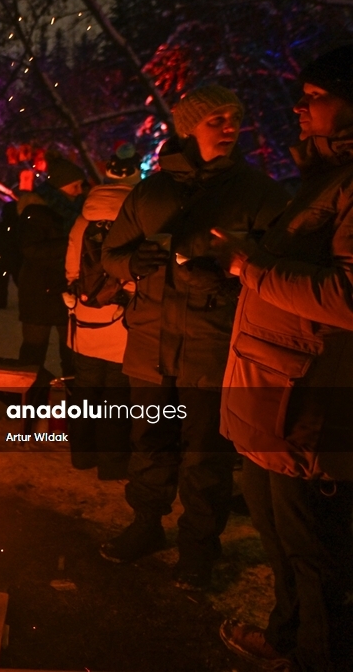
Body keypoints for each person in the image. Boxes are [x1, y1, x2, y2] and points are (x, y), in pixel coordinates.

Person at [100, 84, 290, 590]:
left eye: (234, 118)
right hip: (149, 346)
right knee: (150, 444)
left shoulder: (258, 193)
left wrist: (231, 273)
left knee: (206, 455)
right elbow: (111, 257)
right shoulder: (152, 191)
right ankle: (145, 525)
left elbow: (283, 269)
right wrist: (130, 264)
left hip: (212, 345)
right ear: (189, 129)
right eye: (217, 120)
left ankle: (198, 549)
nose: (230, 127)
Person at [215, 46, 353, 672]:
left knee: (313, 554)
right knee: (278, 539)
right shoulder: (320, 180)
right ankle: (287, 635)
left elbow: (347, 295)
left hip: (307, 411)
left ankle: (320, 655)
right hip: (267, 395)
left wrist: (253, 265)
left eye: (316, 95)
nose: (300, 107)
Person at [63, 144, 141, 480]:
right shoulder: (138, 217)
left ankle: (81, 456)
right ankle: (112, 465)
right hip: (123, 320)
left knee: (85, 389)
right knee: (116, 396)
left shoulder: (83, 219)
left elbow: (71, 269)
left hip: (85, 318)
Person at [14, 157, 86, 376]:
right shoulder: (36, 210)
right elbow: (31, 250)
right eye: (75, 185)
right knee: (34, 354)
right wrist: (72, 243)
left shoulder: (74, 211)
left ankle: (76, 405)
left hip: (65, 290)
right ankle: (27, 404)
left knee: (72, 352)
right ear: (61, 185)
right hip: (39, 292)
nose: (79, 190)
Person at [0, 200, 21, 309]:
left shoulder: (1, 226)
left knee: (2, 280)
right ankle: (26, 301)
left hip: (3, 256)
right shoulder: (20, 226)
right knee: (19, 280)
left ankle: (0, 300)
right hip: (17, 257)